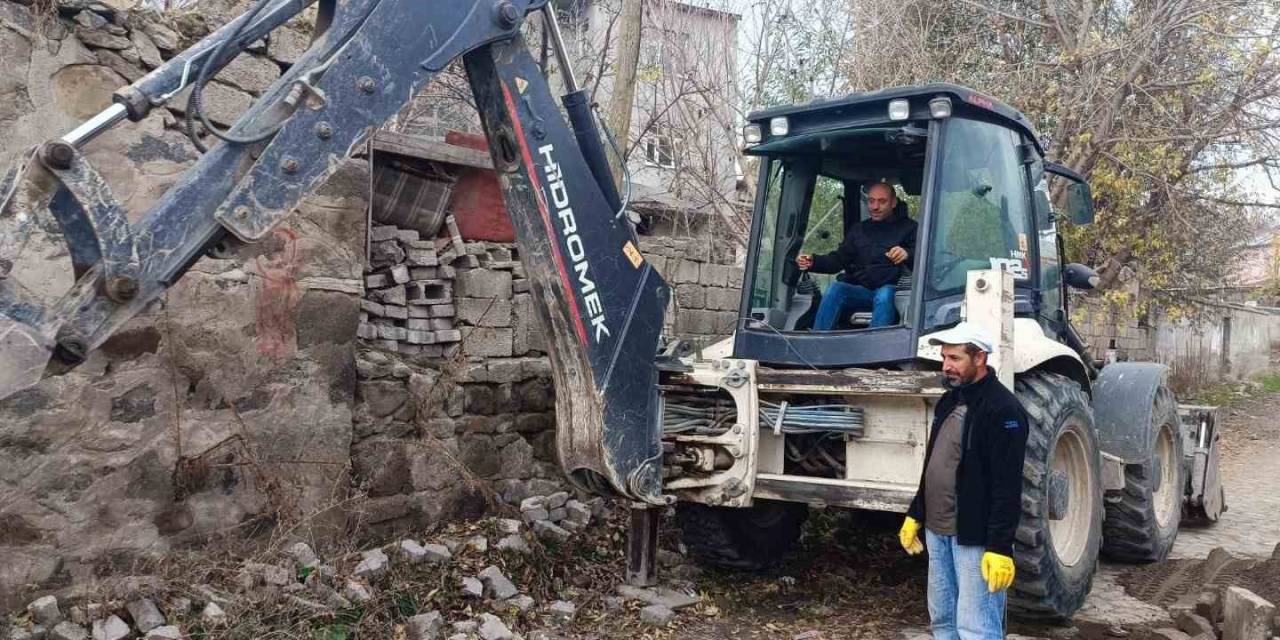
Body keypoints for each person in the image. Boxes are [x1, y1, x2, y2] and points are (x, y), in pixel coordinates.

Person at [898, 322, 1028, 640]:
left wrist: (999, 547)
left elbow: (1007, 486)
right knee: (942, 621)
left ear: (980, 357)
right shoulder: (949, 400)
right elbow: (934, 464)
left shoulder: (1004, 409)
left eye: (955, 358)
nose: (946, 366)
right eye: (944, 357)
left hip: (973, 538)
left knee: (976, 627)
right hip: (938, 532)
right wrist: (916, 513)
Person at [796, 182, 917, 329]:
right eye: (871, 201)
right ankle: (816, 341)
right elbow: (838, 260)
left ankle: (873, 347)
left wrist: (907, 254)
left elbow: (926, 260)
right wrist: (813, 262)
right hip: (863, 291)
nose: (875, 207)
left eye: (881, 201)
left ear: (893, 203)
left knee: (885, 294)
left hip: (895, 291)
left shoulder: (910, 228)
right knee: (836, 288)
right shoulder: (859, 230)